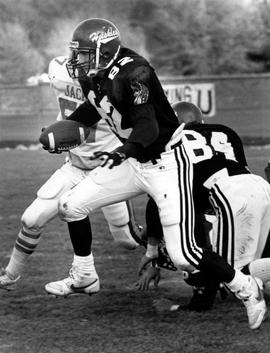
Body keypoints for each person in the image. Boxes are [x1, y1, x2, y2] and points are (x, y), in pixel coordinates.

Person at [43, 18, 266, 330]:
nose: (77, 60)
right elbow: (95, 109)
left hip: (166, 164)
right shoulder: (91, 75)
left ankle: (248, 288)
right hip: (134, 160)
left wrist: (123, 150)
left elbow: (147, 125)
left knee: (185, 255)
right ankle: (83, 275)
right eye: (76, 53)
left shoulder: (136, 72)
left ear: (103, 51)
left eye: (83, 53)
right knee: (70, 206)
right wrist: (67, 130)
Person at [0, 54, 146, 295]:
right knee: (31, 219)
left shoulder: (109, 87)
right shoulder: (65, 77)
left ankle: (157, 251)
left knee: (127, 241)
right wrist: (56, 133)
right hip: (75, 166)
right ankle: (10, 275)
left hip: (107, 168)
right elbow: (68, 117)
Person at [136, 102, 270, 315]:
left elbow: (159, 200)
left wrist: (153, 251)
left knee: (226, 272)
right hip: (259, 187)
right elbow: (238, 171)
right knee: (254, 259)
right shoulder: (226, 131)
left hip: (228, 195)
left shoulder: (169, 142)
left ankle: (199, 303)